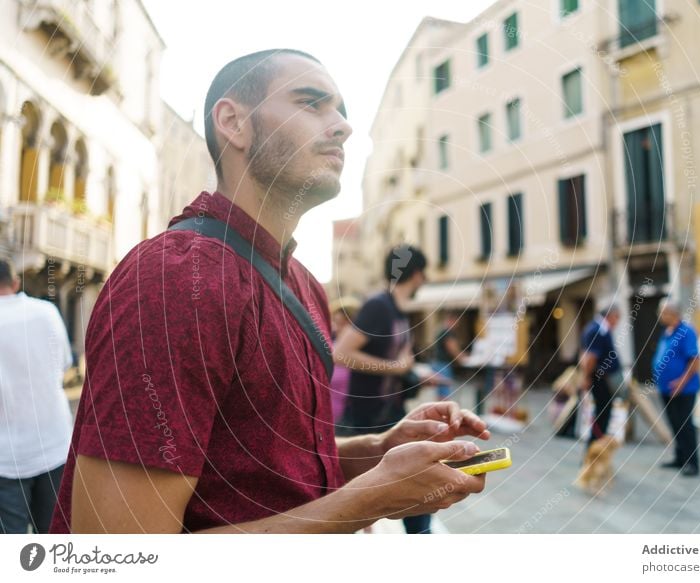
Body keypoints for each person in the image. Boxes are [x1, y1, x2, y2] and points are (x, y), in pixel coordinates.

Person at [50, 49, 490, 534]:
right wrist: (367, 501)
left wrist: (379, 452)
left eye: (341, 110)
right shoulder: (173, 279)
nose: (342, 125)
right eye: (311, 103)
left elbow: (275, 468)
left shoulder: (302, 283)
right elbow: (119, 552)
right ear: (234, 123)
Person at [334, 244, 450, 534]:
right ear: (417, 274)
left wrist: (414, 374)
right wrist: (396, 369)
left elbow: (394, 361)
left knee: (416, 496)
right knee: (417, 493)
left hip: (391, 413)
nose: (425, 280)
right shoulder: (379, 307)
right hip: (371, 419)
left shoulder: (397, 311)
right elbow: (341, 353)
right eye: (424, 273)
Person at [0, 259, 73, 533]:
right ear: (15, 283)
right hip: (53, 445)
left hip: (5, 458)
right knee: (55, 537)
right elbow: (65, 363)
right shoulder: (46, 312)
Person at [652, 299, 700, 477]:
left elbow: (695, 359)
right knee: (674, 424)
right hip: (665, 389)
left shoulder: (686, 332)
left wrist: (681, 381)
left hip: (683, 389)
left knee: (685, 425)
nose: (659, 315)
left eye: (662, 312)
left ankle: (692, 463)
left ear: (673, 313)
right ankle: (680, 458)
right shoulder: (666, 332)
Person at [579, 304, 622, 447]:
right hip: (600, 379)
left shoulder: (600, 329)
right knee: (602, 412)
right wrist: (585, 377)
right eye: (617, 318)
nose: (617, 322)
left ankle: (597, 444)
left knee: (604, 411)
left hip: (603, 377)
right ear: (610, 315)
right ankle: (594, 446)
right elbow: (590, 357)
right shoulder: (597, 330)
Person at [329, 296, 361, 423]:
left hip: (349, 420)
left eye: (342, 323)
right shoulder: (329, 345)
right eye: (335, 322)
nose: (335, 328)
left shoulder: (360, 353)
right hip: (329, 418)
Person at [431, 312, 467, 400]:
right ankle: (443, 412)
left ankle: (439, 411)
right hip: (442, 365)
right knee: (444, 392)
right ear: (452, 320)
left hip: (438, 363)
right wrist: (464, 359)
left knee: (441, 392)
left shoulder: (441, 329)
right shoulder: (447, 332)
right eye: (457, 322)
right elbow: (452, 349)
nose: (457, 325)